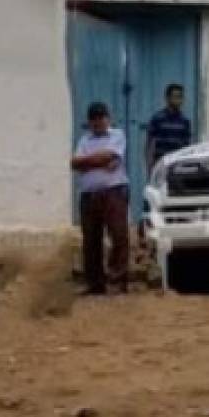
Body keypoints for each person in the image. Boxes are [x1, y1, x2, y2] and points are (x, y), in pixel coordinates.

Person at [71, 102, 129, 295]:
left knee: (119, 236)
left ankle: (117, 281)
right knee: (91, 240)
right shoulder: (84, 140)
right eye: (93, 119)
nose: (97, 122)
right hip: (89, 196)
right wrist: (100, 160)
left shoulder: (117, 135)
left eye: (100, 118)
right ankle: (95, 283)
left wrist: (89, 162)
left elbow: (109, 157)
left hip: (113, 192)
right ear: (89, 121)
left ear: (107, 118)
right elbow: (75, 163)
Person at [145, 83, 193, 173]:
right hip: (160, 164)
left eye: (180, 97)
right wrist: (149, 166)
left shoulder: (185, 121)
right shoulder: (157, 118)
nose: (179, 100)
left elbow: (187, 146)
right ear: (167, 98)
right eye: (175, 97)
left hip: (178, 165)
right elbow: (149, 144)